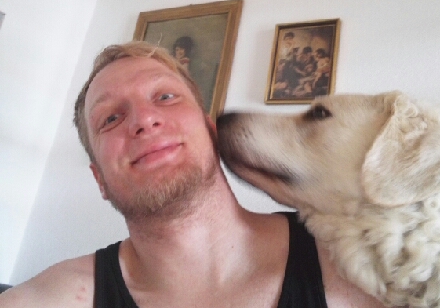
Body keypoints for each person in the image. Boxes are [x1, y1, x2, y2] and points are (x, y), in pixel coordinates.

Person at [0, 41, 386, 308]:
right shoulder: (54, 298)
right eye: (111, 118)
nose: (144, 119)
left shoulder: (360, 269)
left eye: (165, 97)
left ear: (210, 129)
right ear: (99, 178)